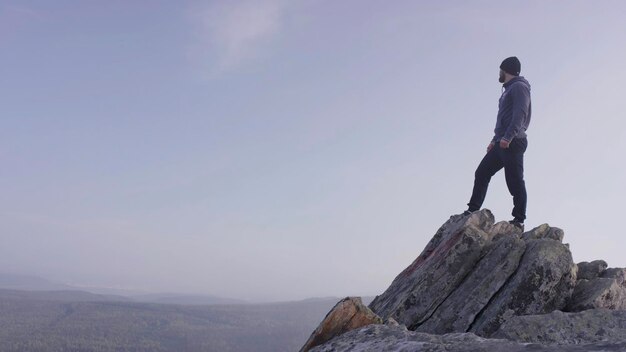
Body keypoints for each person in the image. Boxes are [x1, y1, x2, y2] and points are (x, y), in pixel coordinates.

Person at [464, 56, 531, 230]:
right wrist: (494, 141)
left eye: (500, 70)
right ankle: (472, 211)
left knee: (515, 182)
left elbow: (520, 115)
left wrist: (508, 138)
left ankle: (518, 221)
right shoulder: (507, 91)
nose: (499, 74)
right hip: (501, 142)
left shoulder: (519, 87)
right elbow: (503, 120)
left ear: (505, 70)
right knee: (482, 173)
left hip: (513, 142)